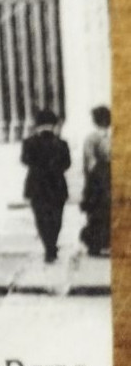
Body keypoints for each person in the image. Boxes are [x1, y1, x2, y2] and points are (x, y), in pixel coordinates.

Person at [21, 108, 72, 263]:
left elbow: (24, 160)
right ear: (54, 124)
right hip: (57, 185)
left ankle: (48, 247)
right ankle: (53, 244)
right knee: (56, 217)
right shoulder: (62, 143)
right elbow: (67, 164)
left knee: (41, 218)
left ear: (37, 125)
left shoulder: (29, 142)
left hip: (36, 185)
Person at [80, 106, 111, 257]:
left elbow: (89, 164)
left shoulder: (91, 139)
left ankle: (96, 244)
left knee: (97, 214)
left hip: (97, 183)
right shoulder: (111, 137)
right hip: (108, 181)